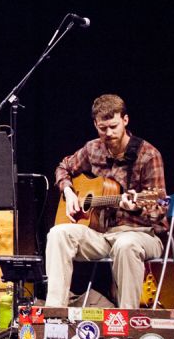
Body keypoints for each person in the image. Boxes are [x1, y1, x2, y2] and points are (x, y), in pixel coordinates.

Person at [45, 94, 167, 309]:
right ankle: (55, 314)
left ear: (125, 120)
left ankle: (127, 323)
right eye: (103, 128)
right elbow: (62, 167)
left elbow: (159, 211)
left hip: (141, 235)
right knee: (58, 234)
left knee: (126, 244)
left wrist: (137, 208)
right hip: (101, 235)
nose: (109, 133)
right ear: (95, 124)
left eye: (114, 126)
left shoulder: (148, 155)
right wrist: (69, 192)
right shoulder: (93, 149)